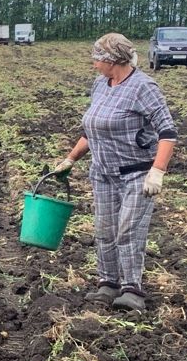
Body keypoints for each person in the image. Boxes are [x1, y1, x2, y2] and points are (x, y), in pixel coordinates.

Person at [53, 32, 177, 313]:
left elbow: (167, 132)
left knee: (128, 231)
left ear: (112, 60)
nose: (94, 64)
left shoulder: (143, 87)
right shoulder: (101, 83)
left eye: (97, 59)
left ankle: (132, 290)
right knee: (105, 230)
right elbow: (92, 129)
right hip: (103, 173)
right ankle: (108, 283)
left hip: (136, 174)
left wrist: (157, 171)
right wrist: (71, 158)